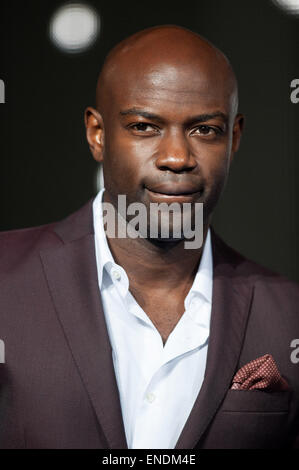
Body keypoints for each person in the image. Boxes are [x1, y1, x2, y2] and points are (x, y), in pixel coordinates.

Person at [0, 25, 298, 449]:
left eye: (205, 130)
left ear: (234, 138)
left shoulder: (288, 314)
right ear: (97, 134)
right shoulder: (5, 281)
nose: (176, 157)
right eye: (144, 127)